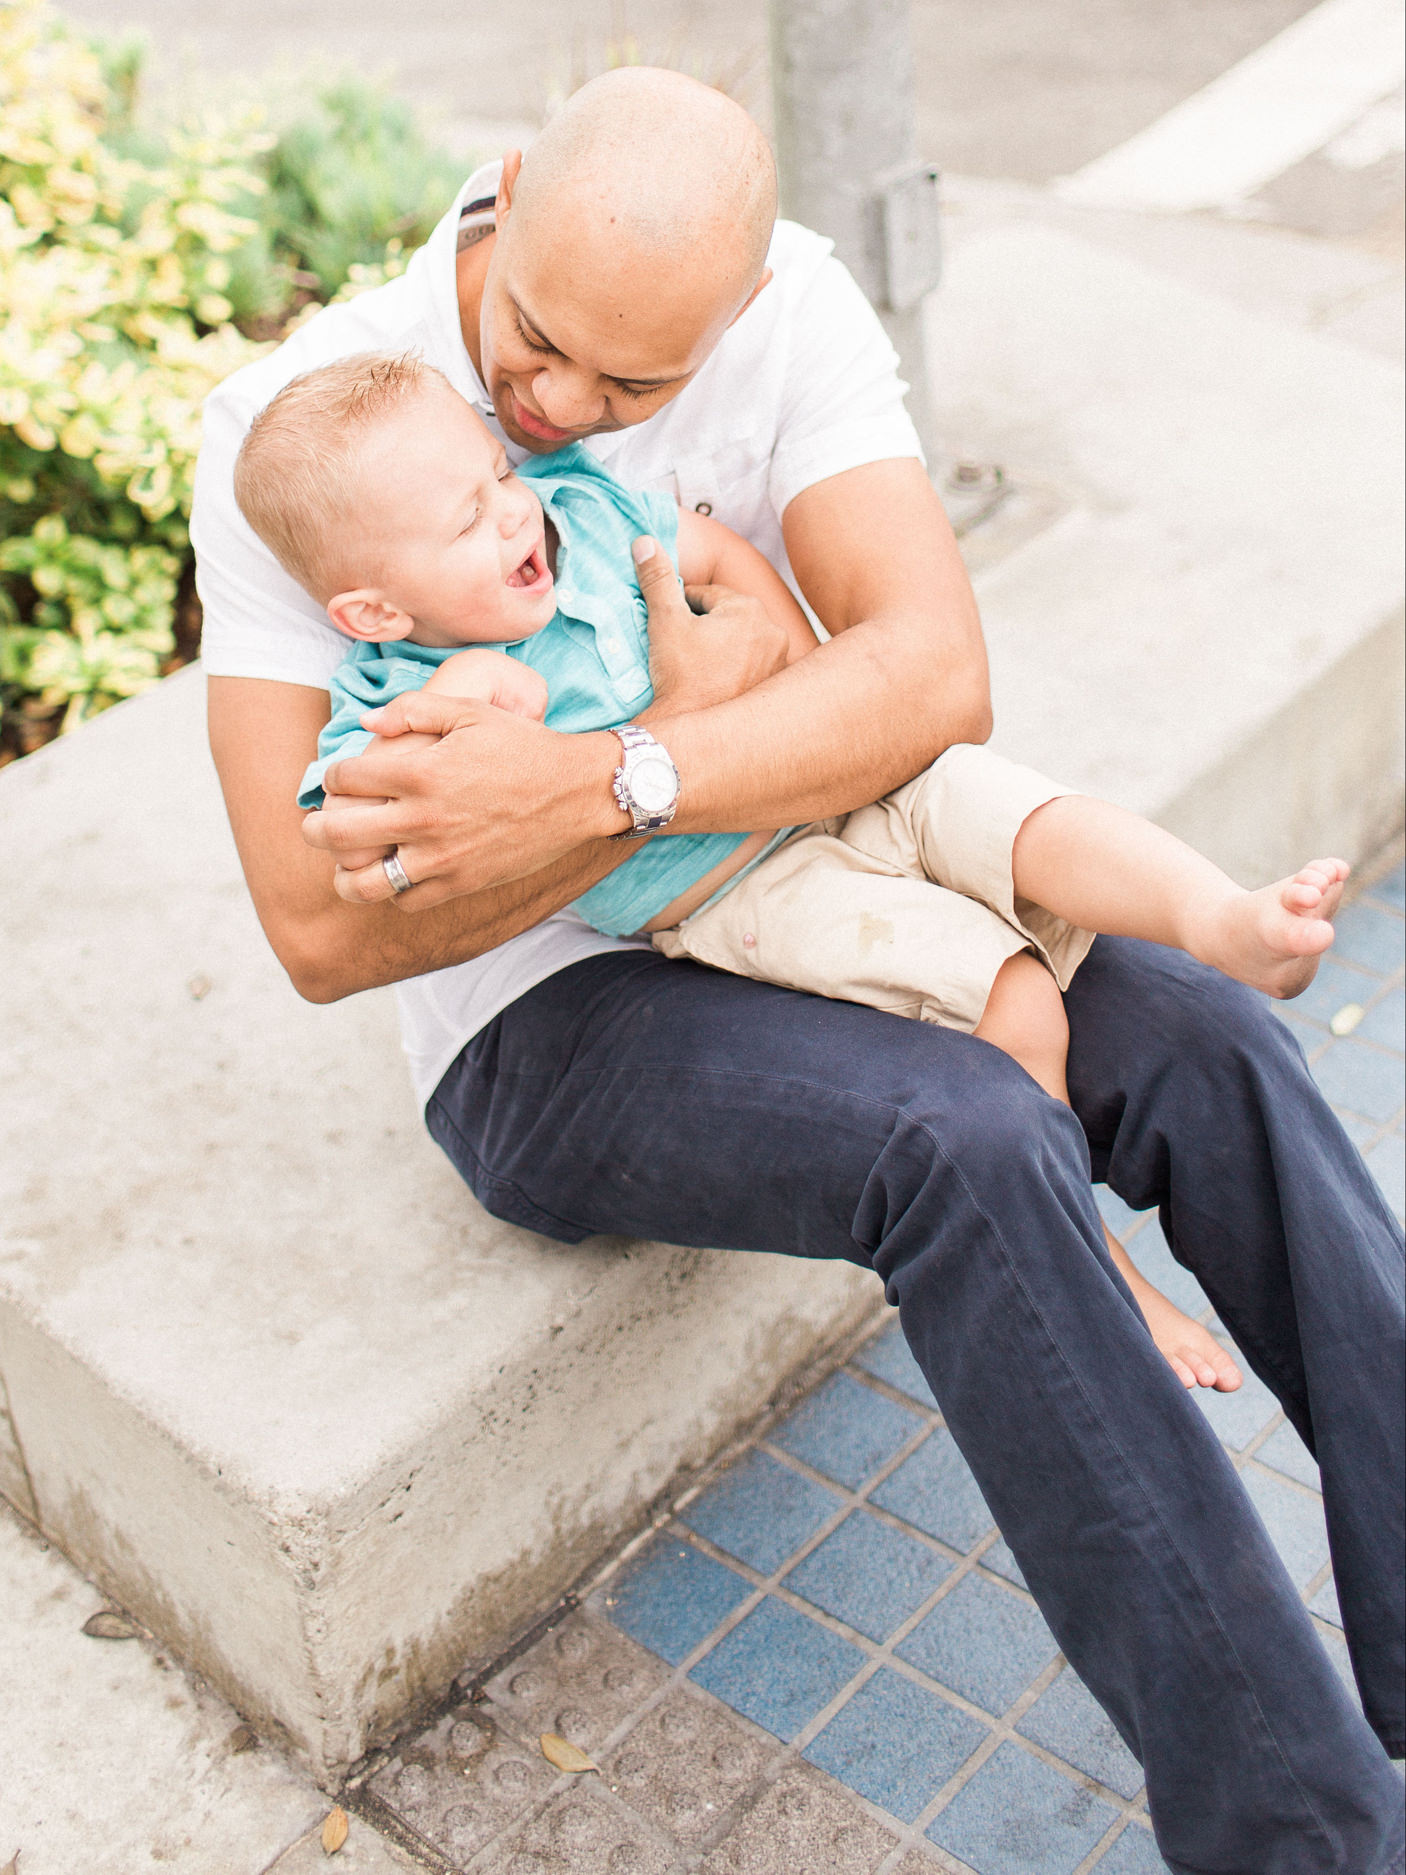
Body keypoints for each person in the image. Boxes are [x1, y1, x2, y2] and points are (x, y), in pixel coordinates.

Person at [193, 66, 1405, 1874]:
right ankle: (1300, 1839)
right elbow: (315, 928)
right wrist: (715, 724)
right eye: (533, 348)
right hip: (543, 1016)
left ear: (740, 311)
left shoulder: (800, 314)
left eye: (633, 391)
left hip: (800, 862)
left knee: (1209, 1033)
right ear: (500, 196)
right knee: (967, 1139)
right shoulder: (311, 434)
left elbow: (928, 679)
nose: (555, 413)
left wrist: (608, 774)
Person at [234, 348, 1364, 1396]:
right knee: (1014, 996)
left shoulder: (578, 507)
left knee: (1018, 814)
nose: (509, 511)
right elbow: (351, 844)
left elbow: (713, 553)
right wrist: (481, 714)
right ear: (374, 610)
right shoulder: (387, 703)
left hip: (817, 788)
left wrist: (791, 676)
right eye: (465, 519)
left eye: (496, 474)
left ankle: (1218, 916)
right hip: (743, 894)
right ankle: (1104, 1269)